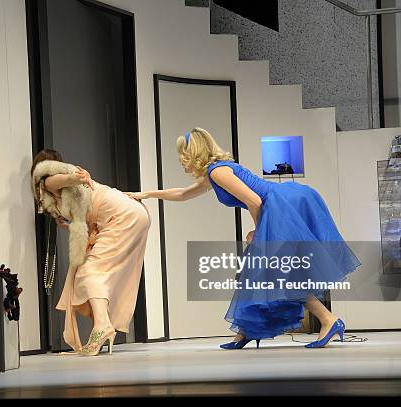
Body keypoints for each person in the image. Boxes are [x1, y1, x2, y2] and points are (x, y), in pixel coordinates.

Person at [126, 128, 361, 349]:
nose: (181, 161)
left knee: (278, 274)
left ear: (194, 153)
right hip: (280, 203)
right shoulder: (216, 172)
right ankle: (250, 330)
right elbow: (184, 193)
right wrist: (145, 194)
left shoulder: (218, 171)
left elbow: (255, 201)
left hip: (280, 205)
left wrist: (260, 233)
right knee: (269, 274)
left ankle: (327, 319)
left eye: (183, 156)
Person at [31, 149, 151, 356]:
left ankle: (103, 325)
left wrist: (77, 176)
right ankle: (102, 325)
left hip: (122, 216)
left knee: (89, 271)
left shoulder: (48, 181)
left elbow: (67, 178)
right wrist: (68, 225)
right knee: (89, 271)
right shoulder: (61, 192)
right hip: (129, 213)